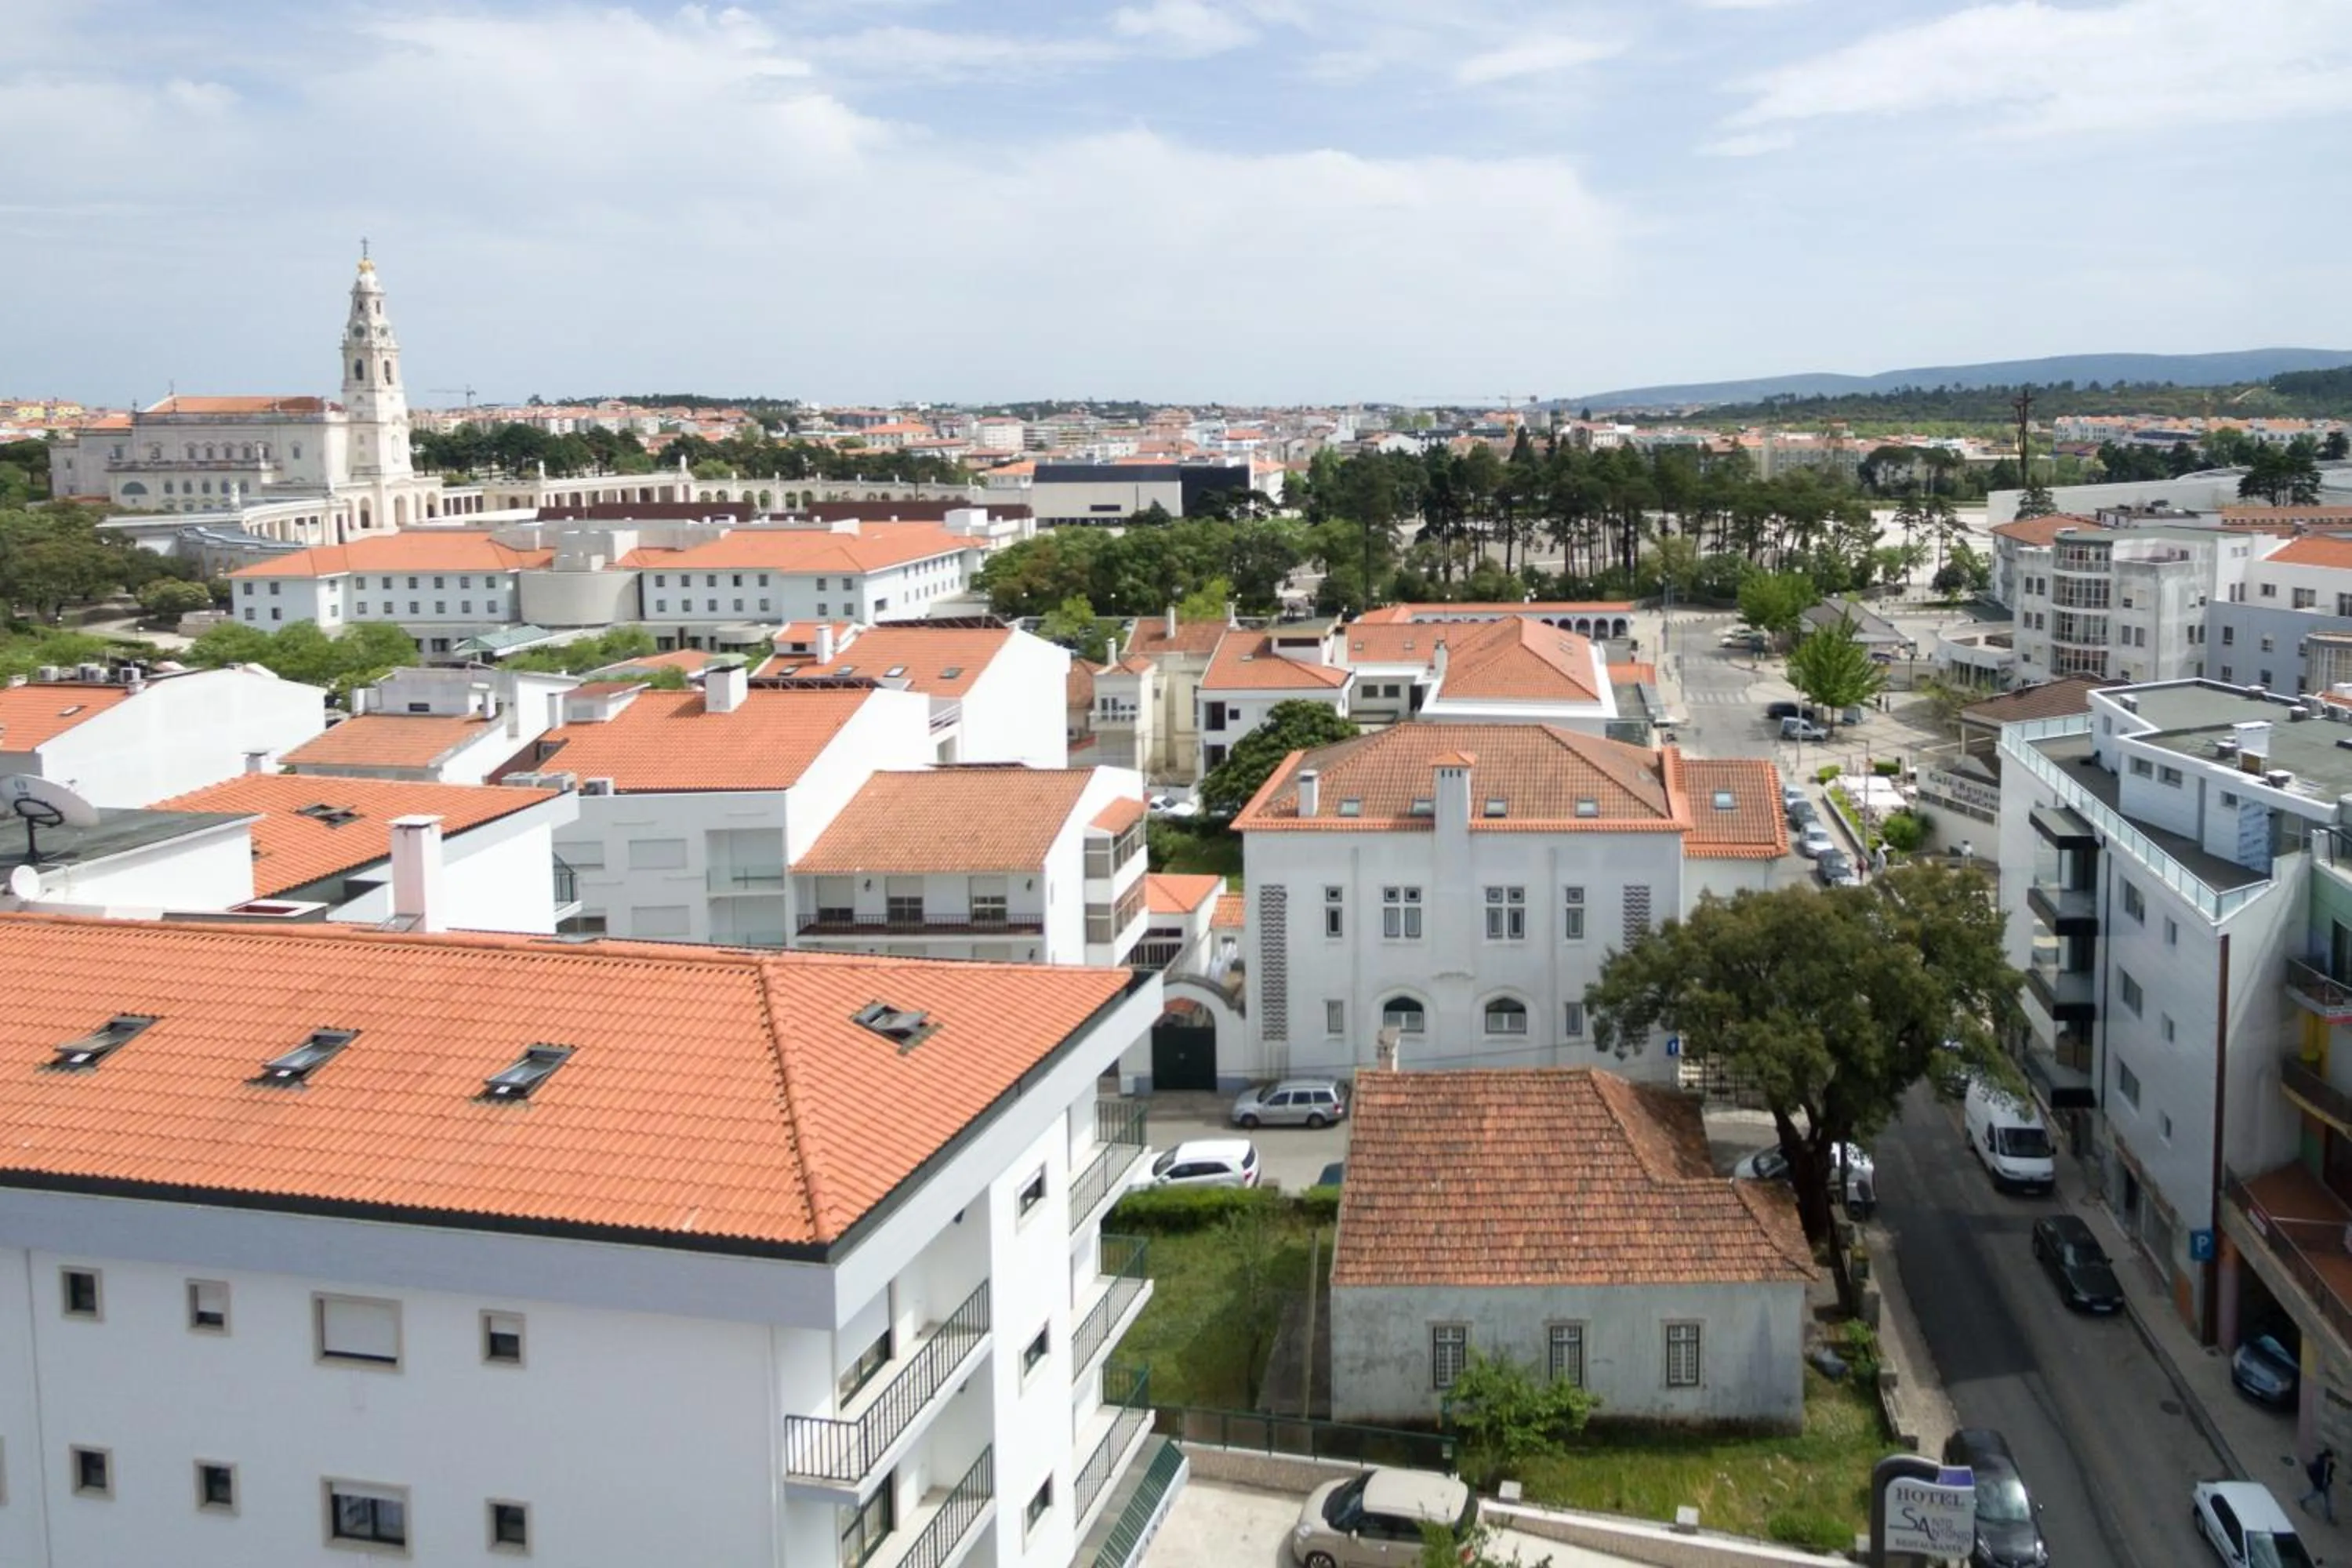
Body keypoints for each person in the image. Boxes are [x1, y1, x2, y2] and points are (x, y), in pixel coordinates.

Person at [2303, 1446, 2337, 1523]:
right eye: (2330, 1458)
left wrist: (2329, 1480)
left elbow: (2329, 1473)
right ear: (2326, 1457)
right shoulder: (2319, 1464)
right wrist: (2315, 1482)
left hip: (2326, 1484)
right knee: (2313, 1495)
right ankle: (2303, 1500)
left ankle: (2329, 1517)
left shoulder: (2330, 1464)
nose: (2331, 1459)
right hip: (2319, 1484)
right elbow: (2310, 1470)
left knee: (2328, 1500)